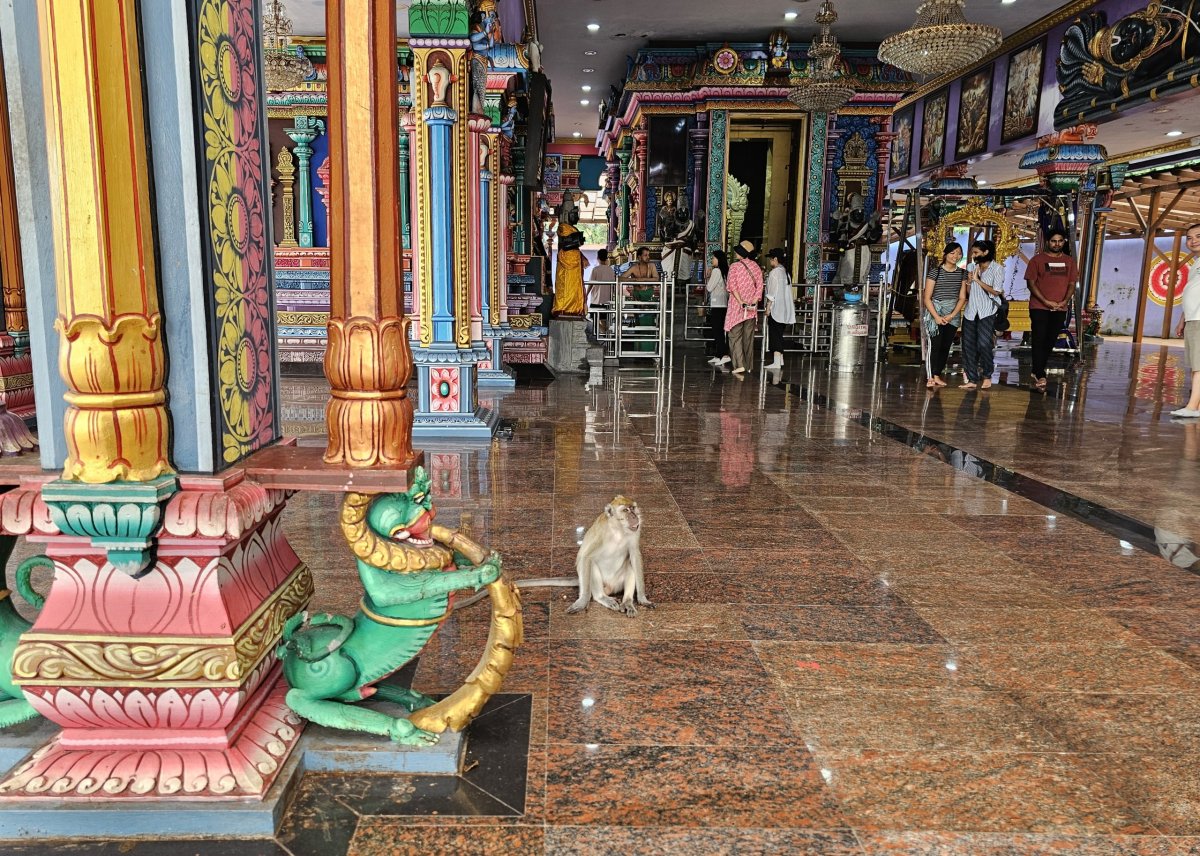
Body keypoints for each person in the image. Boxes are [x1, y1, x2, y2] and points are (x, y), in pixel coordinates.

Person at [1024, 229, 1078, 390]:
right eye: (1054, 241)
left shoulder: (1069, 262)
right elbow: (1031, 284)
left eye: (1060, 241)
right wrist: (1046, 301)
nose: (1057, 244)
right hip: (1039, 306)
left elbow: (1071, 283)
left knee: (1050, 339)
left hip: (1060, 307)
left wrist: (1064, 301)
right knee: (1039, 337)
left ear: (1064, 242)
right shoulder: (1037, 260)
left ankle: (1037, 369)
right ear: (1048, 242)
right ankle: (1040, 373)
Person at [922, 242, 968, 389]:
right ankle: (930, 376)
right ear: (945, 254)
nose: (956, 256)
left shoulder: (962, 273)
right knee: (934, 345)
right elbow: (927, 297)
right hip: (935, 312)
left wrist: (952, 314)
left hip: (952, 314)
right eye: (952, 253)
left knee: (945, 346)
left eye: (959, 253)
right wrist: (936, 316)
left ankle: (937, 374)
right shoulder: (935, 272)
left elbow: (962, 297)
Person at [960, 238, 1004, 389]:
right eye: (973, 252)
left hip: (987, 312)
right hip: (971, 311)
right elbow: (969, 292)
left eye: (976, 252)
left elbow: (996, 291)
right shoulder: (971, 266)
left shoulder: (997, 269)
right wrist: (969, 282)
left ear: (986, 252)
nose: (973, 255)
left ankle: (987, 375)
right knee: (968, 345)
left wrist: (978, 280)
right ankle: (972, 379)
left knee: (984, 343)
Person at [725, 240, 763, 377]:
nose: (735, 253)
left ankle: (739, 365)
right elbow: (760, 287)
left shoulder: (734, 267)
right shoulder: (756, 267)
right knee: (748, 337)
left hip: (737, 308)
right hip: (751, 310)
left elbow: (731, 287)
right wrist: (752, 302)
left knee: (735, 336)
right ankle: (748, 366)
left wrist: (741, 301)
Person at [1173, 222, 1200, 417]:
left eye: (1198, 236)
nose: (1193, 241)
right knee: (1195, 364)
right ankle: (1196, 406)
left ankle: (1192, 406)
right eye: (1189, 238)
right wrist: (1183, 318)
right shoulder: (1196, 263)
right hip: (1193, 318)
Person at [552, 206, 588, 317]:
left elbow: (577, 242)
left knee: (575, 286)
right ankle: (564, 308)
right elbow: (569, 242)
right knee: (566, 285)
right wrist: (577, 239)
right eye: (574, 213)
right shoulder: (563, 227)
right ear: (567, 214)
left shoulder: (570, 229)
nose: (577, 217)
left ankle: (575, 308)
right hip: (566, 258)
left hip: (574, 259)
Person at [763, 248, 795, 370]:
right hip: (785, 309)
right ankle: (780, 360)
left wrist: (768, 308)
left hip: (776, 309)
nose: (770, 260)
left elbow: (772, 292)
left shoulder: (775, 272)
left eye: (771, 258)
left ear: (775, 259)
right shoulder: (785, 272)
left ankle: (776, 362)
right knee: (779, 334)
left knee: (775, 335)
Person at [706, 250, 730, 366]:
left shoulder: (716, 271)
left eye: (713, 258)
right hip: (724, 304)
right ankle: (718, 354)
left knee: (717, 331)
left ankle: (725, 354)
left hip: (717, 304)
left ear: (718, 259)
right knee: (719, 330)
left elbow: (709, 287)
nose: (712, 260)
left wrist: (708, 276)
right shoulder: (726, 271)